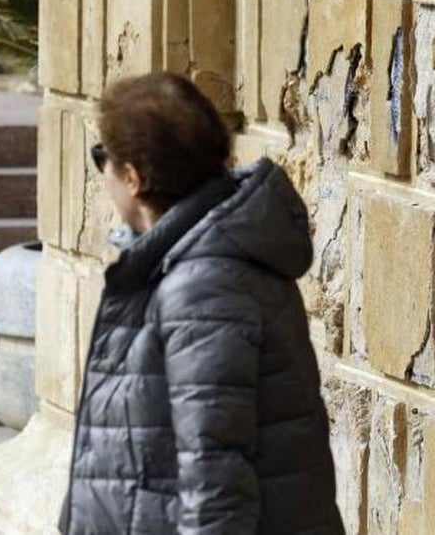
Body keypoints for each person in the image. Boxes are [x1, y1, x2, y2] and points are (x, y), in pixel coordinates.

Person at [60, 72, 344, 535]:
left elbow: (215, 474)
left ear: (131, 177)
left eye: (102, 158)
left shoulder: (203, 286)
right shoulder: (186, 261)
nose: (103, 172)